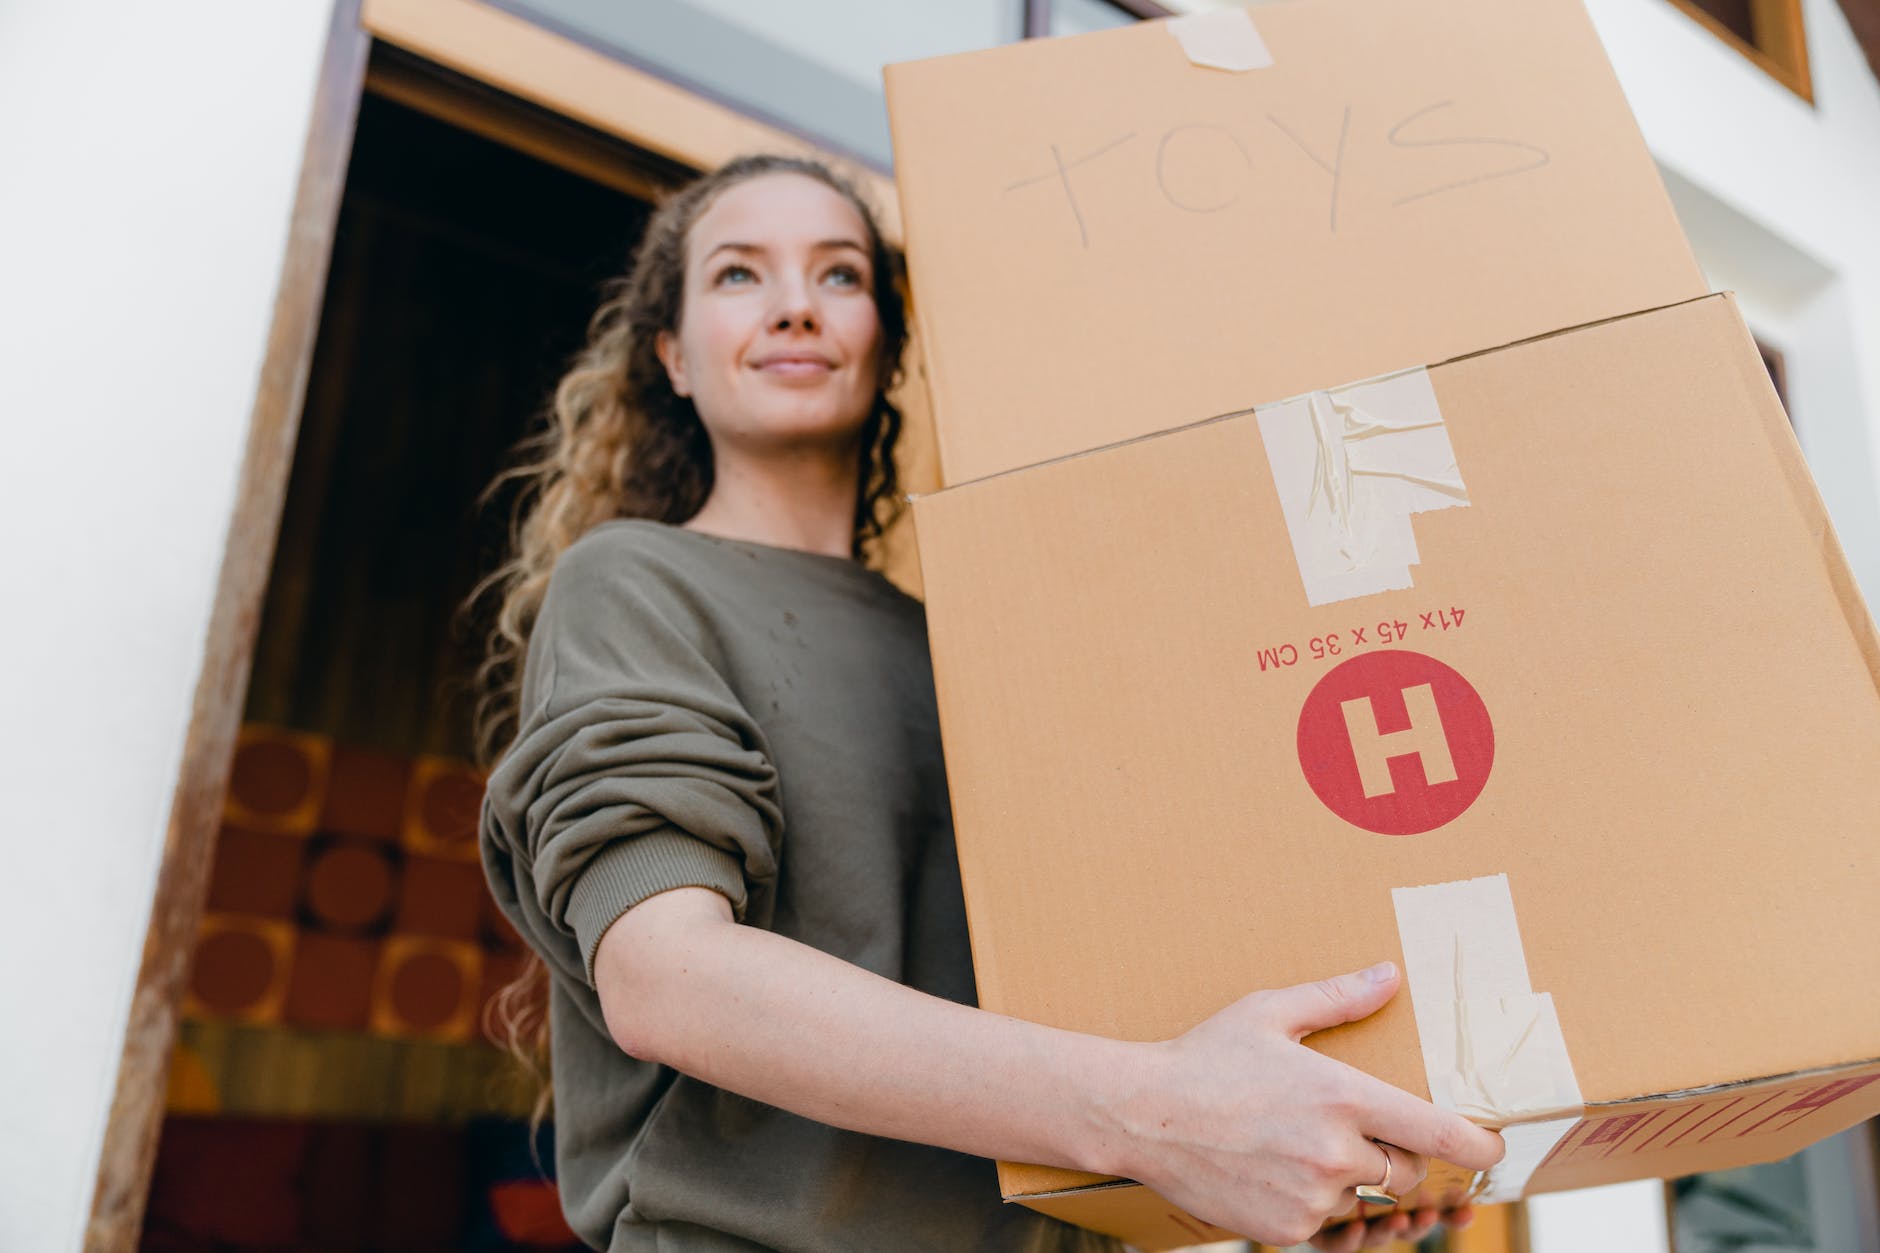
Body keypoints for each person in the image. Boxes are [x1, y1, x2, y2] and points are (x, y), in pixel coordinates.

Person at [473, 152, 1504, 1253]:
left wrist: (1314, 1159)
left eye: (838, 276)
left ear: (885, 340)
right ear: (673, 357)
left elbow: (1121, 1006)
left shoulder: (985, 646)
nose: (791, 306)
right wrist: (1166, 1112)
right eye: (738, 275)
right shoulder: (633, 581)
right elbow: (667, 976)